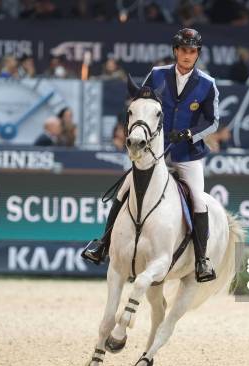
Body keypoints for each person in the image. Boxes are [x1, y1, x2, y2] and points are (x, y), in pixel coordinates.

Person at [82, 28, 219, 283]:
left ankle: (201, 260)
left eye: (192, 51)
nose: (187, 55)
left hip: (186, 155)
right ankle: (102, 245)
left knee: (199, 201)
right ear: (175, 51)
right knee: (123, 192)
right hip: (153, 151)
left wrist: (190, 133)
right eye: (183, 50)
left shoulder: (207, 84)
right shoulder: (157, 75)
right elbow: (139, 103)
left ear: (197, 54)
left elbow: (213, 122)